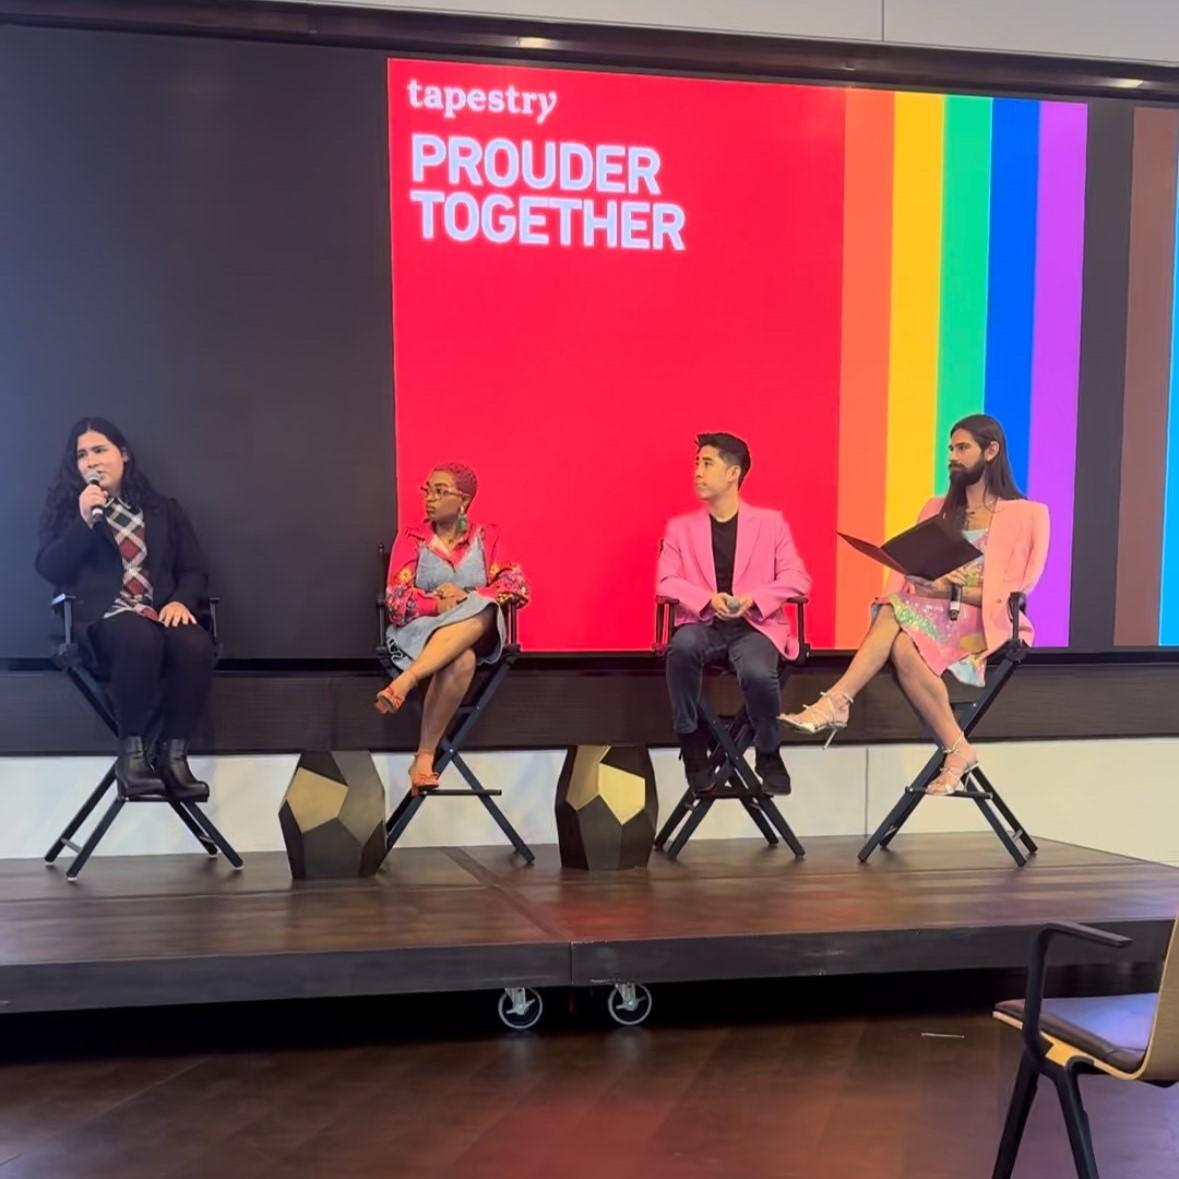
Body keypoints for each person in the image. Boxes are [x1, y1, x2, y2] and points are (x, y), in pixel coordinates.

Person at [782, 413, 1049, 794]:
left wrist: (948, 592)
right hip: (934, 618)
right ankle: (957, 750)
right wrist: (928, 585)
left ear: (991, 451)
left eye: (962, 448)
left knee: (895, 613)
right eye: (950, 449)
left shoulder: (1029, 514)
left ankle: (837, 702)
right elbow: (908, 576)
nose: (952, 457)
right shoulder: (936, 508)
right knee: (901, 635)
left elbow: (1018, 591)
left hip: (987, 631)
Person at [35, 417, 215, 801]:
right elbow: (50, 568)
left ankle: (173, 757)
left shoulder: (163, 510)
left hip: (159, 612)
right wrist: (84, 523)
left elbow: (193, 569)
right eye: (82, 455)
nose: (90, 462)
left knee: (196, 644)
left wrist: (182, 600)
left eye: (99, 450)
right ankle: (131, 761)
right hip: (104, 621)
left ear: (124, 455)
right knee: (137, 634)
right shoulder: (70, 513)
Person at [657, 432, 811, 795]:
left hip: (754, 626)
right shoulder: (680, 528)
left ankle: (768, 751)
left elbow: (798, 580)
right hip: (702, 623)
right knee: (681, 649)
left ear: (733, 473)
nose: (697, 472)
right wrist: (708, 599)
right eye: (696, 463)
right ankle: (691, 742)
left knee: (759, 674)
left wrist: (752, 599)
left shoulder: (771, 524)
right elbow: (665, 583)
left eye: (706, 463)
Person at [376, 464, 528, 793]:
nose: (429, 498)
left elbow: (515, 584)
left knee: (484, 607)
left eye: (440, 491)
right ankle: (425, 757)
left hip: (476, 628)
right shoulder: (411, 538)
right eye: (427, 489)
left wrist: (468, 596)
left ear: (464, 501)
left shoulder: (487, 537)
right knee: (463, 660)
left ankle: (408, 680)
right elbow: (396, 599)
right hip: (421, 635)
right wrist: (437, 605)